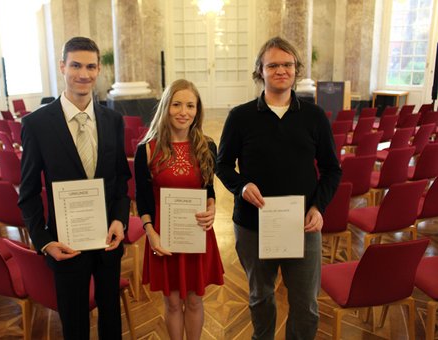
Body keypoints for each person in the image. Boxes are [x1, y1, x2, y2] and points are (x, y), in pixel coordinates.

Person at [216, 36, 342, 340]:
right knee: (260, 297)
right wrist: (242, 184)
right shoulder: (240, 116)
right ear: (261, 71)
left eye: (287, 64)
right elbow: (221, 165)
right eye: (273, 65)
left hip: (302, 225)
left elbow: (331, 169)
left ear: (296, 70)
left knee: (306, 305)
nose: (281, 70)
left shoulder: (314, 117)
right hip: (252, 224)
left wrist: (319, 207)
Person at [18, 36, 130, 340]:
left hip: (108, 239)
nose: (84, 74)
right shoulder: (36, 124)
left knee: (111, 322)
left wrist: (120, 220)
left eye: (91, 66)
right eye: (76, 65)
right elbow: (27, 192)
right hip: (65, 245)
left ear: (98, 70)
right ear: (62, 67)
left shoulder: (113, 120)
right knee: (74, 325)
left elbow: (121, 178)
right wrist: (44, 241)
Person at [134, 79, 224, 340]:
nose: (183, 111)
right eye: (176, 104)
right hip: (164, 234)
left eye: (190, 105)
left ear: (198, 110)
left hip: (197, 231)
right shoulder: (147, 150)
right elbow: (143, 197)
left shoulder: (207, 146)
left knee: (195, 302)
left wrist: (212, 207)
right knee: (172, 303)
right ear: (166, 107)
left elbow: (209, 189)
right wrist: (150, 233)